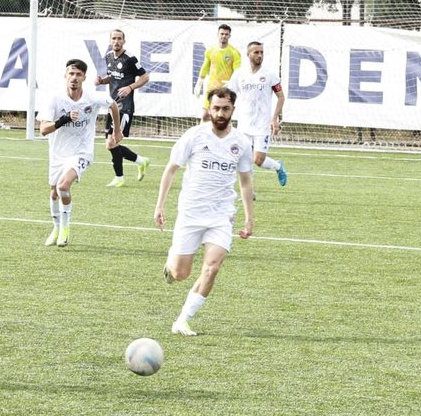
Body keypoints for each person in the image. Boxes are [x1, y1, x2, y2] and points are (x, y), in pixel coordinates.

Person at [155, 87, 256, 336]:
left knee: (212, 267)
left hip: (221, 216)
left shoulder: (242, 142)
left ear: (233, 109)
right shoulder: (194, 135)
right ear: (209, 108)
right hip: (190, 213)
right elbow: (171, 169)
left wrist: (249, 218)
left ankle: (182, 320)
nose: (220, 113)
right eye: (216, 108)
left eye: (225, 108)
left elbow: (245, 182)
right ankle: (172, 262)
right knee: (180, 273)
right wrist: (160, 205)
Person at [37, 58, 108, 247]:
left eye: (78, 74)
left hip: (81, 152)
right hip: (58, 153)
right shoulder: (55, 99)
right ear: (65, 76)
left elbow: (113, 105)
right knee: (53, 192)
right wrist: (64, 119)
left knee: (63, 186)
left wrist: (116, 131)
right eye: (71, 74)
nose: (74, 78)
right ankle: (56, 227)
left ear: (84, 77)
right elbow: (43, 130)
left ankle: (66, 229)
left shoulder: (92, 98)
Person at [228, 39, 289, 186]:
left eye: (262, 52)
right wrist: (227, 118)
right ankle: (250, 190)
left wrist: (274, 119)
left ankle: (278, 166)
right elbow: (230, 97)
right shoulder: (239, 75)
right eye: (256, 52)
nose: (260, 55)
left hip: (262, 125)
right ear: (248, 54)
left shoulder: (270, 75)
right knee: (243, 159)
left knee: (258, 160)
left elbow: (281, 97)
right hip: (244, 124)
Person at [98, 27, 150, 186]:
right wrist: (102, 81)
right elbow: (112, 77)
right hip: (112, 105)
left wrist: (130, 87)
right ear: (110, 41)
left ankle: (120, 178)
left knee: (112, 142)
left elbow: (145, 76)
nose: (116, 41)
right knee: (110, 144)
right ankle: (141, 161)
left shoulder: (130, 59)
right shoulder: (108, 57)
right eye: (114, 38)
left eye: (119, 38)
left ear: (124, 41)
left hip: (125, 107)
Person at [194, 22, 238, 116]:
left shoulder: (234, 52)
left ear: (229, 36)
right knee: (205, 115)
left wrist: (232, 83)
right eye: (222, 34)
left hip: (226, 89)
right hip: (212, 88)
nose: (224, 36)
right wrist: (199, 83)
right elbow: (205, 67)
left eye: (226, 34)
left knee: (224, 116)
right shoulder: (210, 50)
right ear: (218, 34)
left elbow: (237, 71)